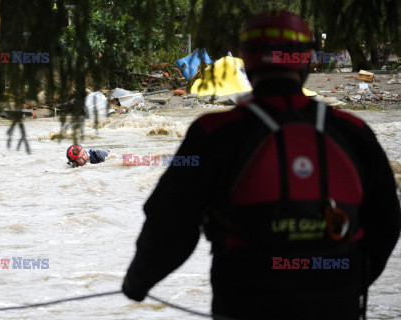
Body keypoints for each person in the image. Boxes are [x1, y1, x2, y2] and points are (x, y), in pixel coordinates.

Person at [121, 10, 401, 320]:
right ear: (308, 60)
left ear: (246, 59)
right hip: (338, 302)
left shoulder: (214, 134)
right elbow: (387, 222)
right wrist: (352, 283)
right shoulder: (354, 132)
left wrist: (137, 282)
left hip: (248, 301)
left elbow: (170, 225)